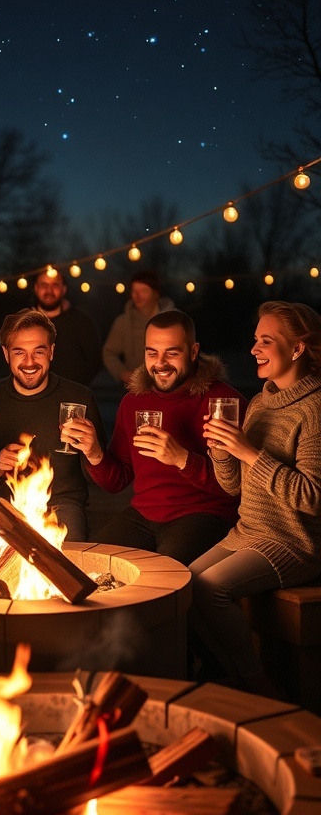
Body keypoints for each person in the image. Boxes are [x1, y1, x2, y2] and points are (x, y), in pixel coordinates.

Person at [189, 301, 321, 698]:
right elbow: (234, 488)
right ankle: (235, 677)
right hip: (249, 531)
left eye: (266, 341)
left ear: (297, 349)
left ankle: (258, 686)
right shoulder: (261, 402)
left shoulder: (315, 410)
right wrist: (221, 452)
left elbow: (313, 498)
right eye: (254, 339)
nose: (254, 349)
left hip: (293, 541)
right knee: (184, 585)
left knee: (209, 588)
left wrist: (249, 453)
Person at [65, 310, 246, 563]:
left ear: (193, 352)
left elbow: (237, 489)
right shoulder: (133, 402)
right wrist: (94, 452)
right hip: (144, 514)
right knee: (93, 563)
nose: (160, 363)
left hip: (204, 514)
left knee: (166, 575)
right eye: (152, 353)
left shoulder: (224, 402)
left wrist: (182, 458)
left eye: (172, 353)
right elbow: (117, 481)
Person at [0, 308, 107, 541]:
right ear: (5, 353)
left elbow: (100, 479)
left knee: (67, 569)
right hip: (6, 506)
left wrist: (94, 452)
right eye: (19, 352)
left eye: (38, 352)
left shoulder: (79, 397)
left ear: (51, 351)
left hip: (63, 505)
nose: (29, 362)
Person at [103, 269, 175, 386]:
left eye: (143, 290)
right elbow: (109, 352)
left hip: (170, 388)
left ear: (156, 293)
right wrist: (123, 373)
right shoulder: (123, 323)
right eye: (134, 291)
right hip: (136, 390)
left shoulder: (174, 321)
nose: (137, 295)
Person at [33, 269, 102, 386]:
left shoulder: (82, 321)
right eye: (44, 285)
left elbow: (95, 360)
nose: (49, 291)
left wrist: (77, 388)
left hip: (71, 398)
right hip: (30, 396)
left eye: (55, 285)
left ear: (64, 289)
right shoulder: (23, 323)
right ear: (36, 288)